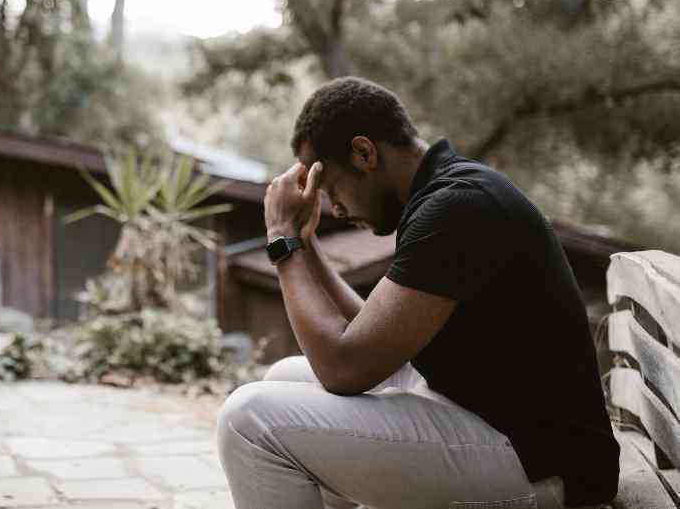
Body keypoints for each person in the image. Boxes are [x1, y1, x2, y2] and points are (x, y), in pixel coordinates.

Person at [216, 77, 619, 509]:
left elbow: (343, 367)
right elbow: (365, 337)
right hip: (496, 422)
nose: (335, 208)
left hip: (545, 464)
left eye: (331, 188)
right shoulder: (444, 193)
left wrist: (281, 240)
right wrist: (305, 243)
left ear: (364, 153)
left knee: (249, 419)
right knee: (283, 378)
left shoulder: (456, 207)